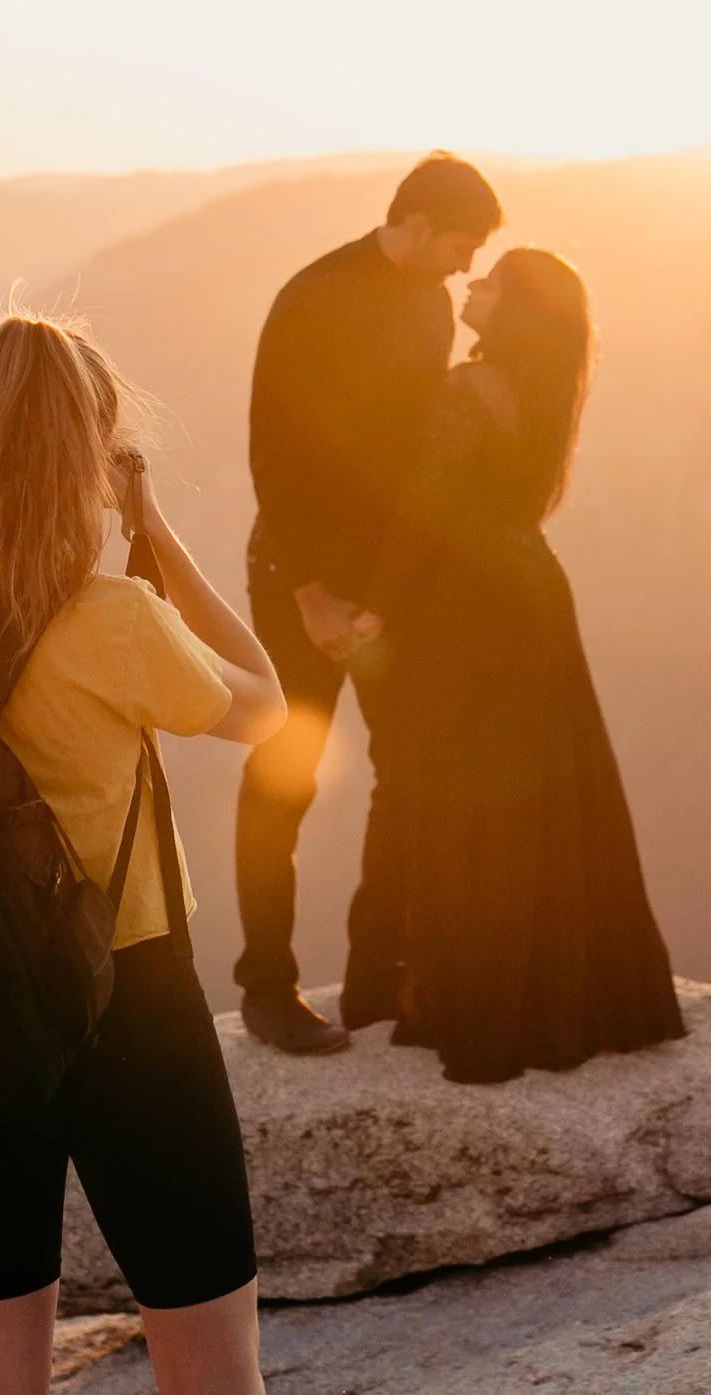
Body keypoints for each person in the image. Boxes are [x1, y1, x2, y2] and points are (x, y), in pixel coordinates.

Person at [0, 310, 285, 1395]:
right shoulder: (113, 615)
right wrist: (156, 531)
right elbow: (265, 703)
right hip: (125, 998)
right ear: (93, 449)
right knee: (206, 1349)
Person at [369, 248, 686, 1084]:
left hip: (468, 614)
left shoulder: (468, 391)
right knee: (550, 800)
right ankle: (572, 993)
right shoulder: (547, 390)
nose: (472, 287)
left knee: (470, 797)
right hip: (535, 598)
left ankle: (482, 999)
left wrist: (376, 606)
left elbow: (422, 514)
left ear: (511, 307)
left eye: (490, 281)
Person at [233, 151, 504, 1053]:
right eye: (460, 247)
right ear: (418, 225)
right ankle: (268, 988)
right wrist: (313, 596)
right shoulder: (312, 298)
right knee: (287, 777)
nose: (465, 270)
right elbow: (273, 452)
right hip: (298, 579)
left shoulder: (427, 305)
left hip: (388, 590)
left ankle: (376, 976)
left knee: (408, 766)